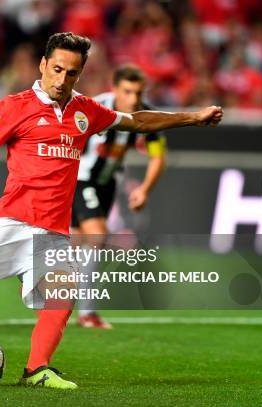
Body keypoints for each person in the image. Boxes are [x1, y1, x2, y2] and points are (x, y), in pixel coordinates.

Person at [0, 32, 222, 389]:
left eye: (71, 73)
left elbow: (137, 121)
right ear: (43, 64)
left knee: (62, 298)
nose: (61, 80)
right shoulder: (15, 106)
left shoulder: (86, 111)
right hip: (11, 224)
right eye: (56, 69)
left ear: (81, 73)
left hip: (54, 231)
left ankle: (36, 369)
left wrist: (193, 118)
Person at [72, 64, 167, 329]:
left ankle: (43, 287)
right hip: (80, 180)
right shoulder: (94, 108)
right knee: (97, 236)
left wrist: (144, 189)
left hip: (107, 184)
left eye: (138, 92)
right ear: (114, 89)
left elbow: (158, 157)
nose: (133, 99)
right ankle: (87, 313)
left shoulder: (147, 116)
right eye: (127, 92)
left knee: (75, 242)